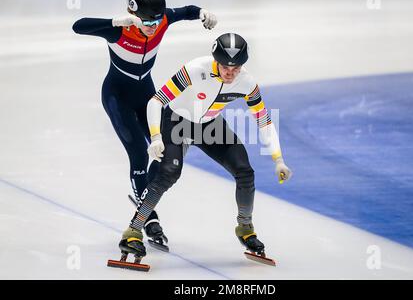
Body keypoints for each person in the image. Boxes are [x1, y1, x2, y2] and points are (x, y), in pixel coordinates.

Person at [119, 33, 292, 259]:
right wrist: (156, 137)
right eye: (225, 67)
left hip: (210, 125)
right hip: (177, 121)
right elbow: (157, 100)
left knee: (245, 172)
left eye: (236, 68)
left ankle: (245, 228)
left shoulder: (247, 83)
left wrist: (278, 159)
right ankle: (132, 231)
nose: (230, 73)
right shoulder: (194, 70)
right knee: (169, 173)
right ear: (215, 61)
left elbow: (263, 120)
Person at [72, 0, 217, 247]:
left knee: (162, 151)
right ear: (133, 14)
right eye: (146, 21)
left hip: (146, 96)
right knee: (139, 153)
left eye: (157, 20)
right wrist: (117, 21)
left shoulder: (162, 20)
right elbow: (78, 26)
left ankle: (143, 190)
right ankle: (148, 218)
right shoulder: (118, 29)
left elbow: (186, 11)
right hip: (118, 97)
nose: (153, 25)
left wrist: (203, 12)